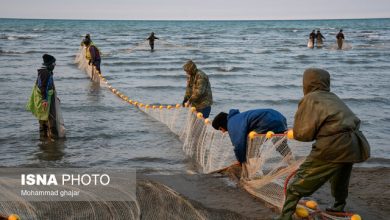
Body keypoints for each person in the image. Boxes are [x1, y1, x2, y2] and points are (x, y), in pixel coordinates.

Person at [276, 68, 370, 220]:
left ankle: (284, 217)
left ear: (307, 83)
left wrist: (293, 133)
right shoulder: (333, 97)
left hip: (333, 146)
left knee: (296, 186)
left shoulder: (311, 98)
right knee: (340, 179)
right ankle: (338, 207)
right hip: (354, 144)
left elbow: (305, 134)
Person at [212, 109, 292, 165]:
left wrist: (241, 161)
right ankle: (292, 163)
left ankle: (256, 174)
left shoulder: (232, 124)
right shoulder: (238, 117)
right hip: (279, 117)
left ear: (222, 124)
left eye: (220, 129)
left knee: (252, 148)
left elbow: (238, 145)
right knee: (281, 145)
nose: (223, 131)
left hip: (265, 122)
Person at [26, 54, 59, 139]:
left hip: (48, 97)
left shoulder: (47, 71)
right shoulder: (45, 73)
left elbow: (50, 85)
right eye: (53, 64)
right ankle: (52, 138)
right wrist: (44, 100)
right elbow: (42, 87)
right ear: (49, 64)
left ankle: (44, 138)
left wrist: (55, 97)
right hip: (44, 98)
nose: (54, 65)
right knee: (50, 118)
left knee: (43, 117)